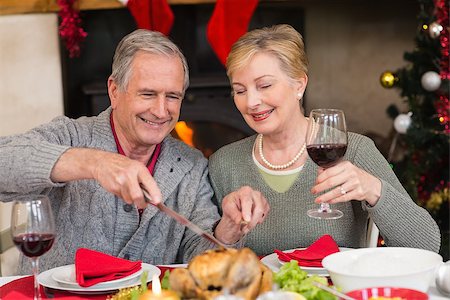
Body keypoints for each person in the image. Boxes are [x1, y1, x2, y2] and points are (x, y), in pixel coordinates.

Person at [0, 29, 269, 275]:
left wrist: (229, 230)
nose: (162, 111)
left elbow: (200, 261)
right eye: (148, 94)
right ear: (114, 91)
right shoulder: (71, 135)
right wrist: (94, 163)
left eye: (173, 97)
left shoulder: (191, 165)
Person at [208, 24, 441, 256]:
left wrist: (373, 189)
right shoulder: (224, 163)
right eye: (240, 91)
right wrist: (225, 233)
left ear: (299, 85)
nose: (251, 102)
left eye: (265, 85)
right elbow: (203, 265)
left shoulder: (356, 150)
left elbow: (427, 244)